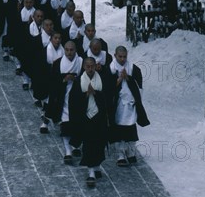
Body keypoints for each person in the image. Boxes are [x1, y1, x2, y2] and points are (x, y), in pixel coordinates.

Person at [69, 57, 109, 188]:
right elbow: (73, 101)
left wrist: (96, 94)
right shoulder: (79, 81)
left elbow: (109, 97)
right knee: (88, 144)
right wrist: (85, 95)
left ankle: (97, 165)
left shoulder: (102, 79)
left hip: (99, 117)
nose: (90, 69)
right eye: (87, 66)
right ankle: (91, 171)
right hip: (86, 117)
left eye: (92, 66)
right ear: (84, 67)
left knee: (99, 142)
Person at [109, 46, 150, 167]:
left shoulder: (133, 68)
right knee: (119, 129)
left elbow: (139, 86)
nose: (122, 59)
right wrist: (118, 80)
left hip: (131, 104)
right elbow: (107, 87)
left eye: (124, 57)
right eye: (120, 57)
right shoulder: (111, 69)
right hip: (118, 104)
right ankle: (121, 154)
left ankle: (131, 152)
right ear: (115, 55)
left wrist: (129, 79)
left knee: (131, 128)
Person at [45, 41, 83, 164]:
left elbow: (87, 79)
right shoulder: (58, 64)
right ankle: (67, 151)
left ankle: (76, 145)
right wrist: (63, 80)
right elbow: (52, 82)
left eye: (71, 50)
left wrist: (75, 79)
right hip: (64, 98)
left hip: (78, 99)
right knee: (65, 125)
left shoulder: (81, 62)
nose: (69, 52)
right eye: (66, 50)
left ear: (76, 50)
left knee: (77, 124)